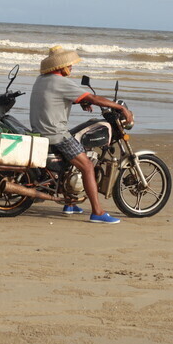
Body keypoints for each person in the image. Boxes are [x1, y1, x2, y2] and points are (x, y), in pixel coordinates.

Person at [29, 46, 133, 224]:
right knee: (87, 166)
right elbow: (94, 98)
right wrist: (121, 108)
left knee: (76, 154)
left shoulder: (42, 79)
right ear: (60, 66)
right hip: (56, 134)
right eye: (69, 64)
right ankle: (97, 212)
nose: (71, 67)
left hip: (40, 130)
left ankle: (70, 203)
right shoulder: (61, 82)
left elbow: (55, 99)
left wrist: (80, 102)